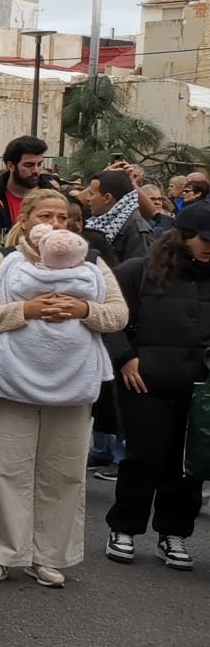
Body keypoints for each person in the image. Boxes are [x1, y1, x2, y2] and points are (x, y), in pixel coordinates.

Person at [0, 189, 126, 588]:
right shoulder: (1, 262)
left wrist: (83, 310)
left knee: (64, 470)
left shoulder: (92, 262)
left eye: (62, 218)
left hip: (73, 383)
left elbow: (119, 314)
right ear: (26, 220)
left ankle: (49, 553)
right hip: (11, 380)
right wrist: (27, 311)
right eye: (45, 216)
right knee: (4, 467)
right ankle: (0, 552)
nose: (54, 225)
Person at [102, 199, 210, 571]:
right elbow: (110, 317)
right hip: (145, 381)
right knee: (144, 457)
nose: (208, 246)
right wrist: (124, 356)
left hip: (200, 387)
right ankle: (124, 528)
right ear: (184, 236)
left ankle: (173, 533)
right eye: (203, 239)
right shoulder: (138, 271)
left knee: (188, 466)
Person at [78, 168, 151, 265]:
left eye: (91, 194)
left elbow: (138, 272)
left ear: (107, 198)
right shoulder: (95, 220)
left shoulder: (136, 230)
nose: (88, 199)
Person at [0, 135, 52, 232]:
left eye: (39, 164)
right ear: (10, 166)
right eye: (29, 165)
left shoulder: (53, 195)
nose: (36, 170)